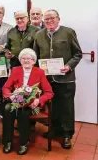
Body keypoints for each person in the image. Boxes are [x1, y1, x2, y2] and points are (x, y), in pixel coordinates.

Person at [33, 9, 82, 149]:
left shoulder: (68, 32)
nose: (49, 21)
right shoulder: (39, 35)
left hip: (66, 78)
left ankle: (67, 134)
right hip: (47, 79)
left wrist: (69, 66)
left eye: (52, 18)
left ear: (58, 19)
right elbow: (36, 57)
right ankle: (54, 130)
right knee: (51, 106)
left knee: (66, 107)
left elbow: (77, 54)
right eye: (46, 19)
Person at [2, 48, 53, 155]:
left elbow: (49, 92)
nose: (26, 61)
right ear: (20, 60)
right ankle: (8, 142)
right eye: (23, 59)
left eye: (29, 59)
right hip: (15, 101)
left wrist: (39, 100)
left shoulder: (39, 72)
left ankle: (23, 143)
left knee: (23, 112)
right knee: (7, 109)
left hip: (31, 104)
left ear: (34, 61)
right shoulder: (15, 70)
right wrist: (10, 96)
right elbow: (6, 88)